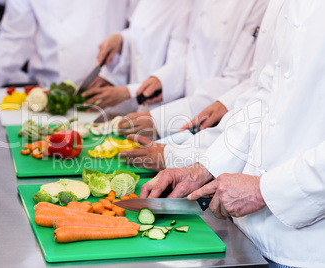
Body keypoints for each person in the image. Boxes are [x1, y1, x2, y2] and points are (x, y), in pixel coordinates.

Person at [139, 0, 325, 266]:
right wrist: (202, 169)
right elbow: (266, 96)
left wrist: (265, 190)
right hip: (250, 234)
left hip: (308, 247)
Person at [116, 0, 269, 139]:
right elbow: (191, 57)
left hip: (219, 125)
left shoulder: (259, 4)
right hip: (187, 115)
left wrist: (161, 120)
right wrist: (162, 81)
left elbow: (237, 80)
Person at [0, 0, 135, 88]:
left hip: (108, 88)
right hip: (47, 90)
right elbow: (14, 40)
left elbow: (145, 28)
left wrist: (122, 39)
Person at [81, 0, 193, 110]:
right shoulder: (144, 3)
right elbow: (142, 36)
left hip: (162, 110)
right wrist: (121, 40)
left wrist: (129, 92)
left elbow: (177, 71)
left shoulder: (186, 7)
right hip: (138, 106)